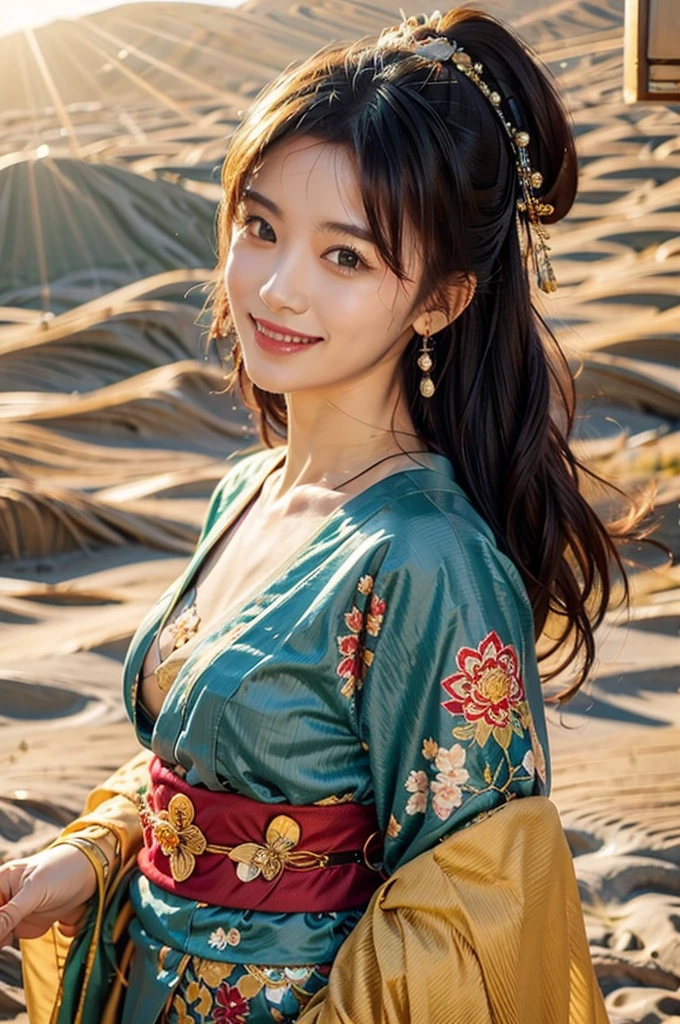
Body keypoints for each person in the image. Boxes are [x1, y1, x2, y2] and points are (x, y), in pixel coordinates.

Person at [1, 7, 647, 1022]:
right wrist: (90, 855)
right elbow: (212, 755)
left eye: (343, 256)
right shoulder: (247, 488)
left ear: (440, 299)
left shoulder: (426, 562)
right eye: (259, 228)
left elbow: (467, 922)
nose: (275, 286)